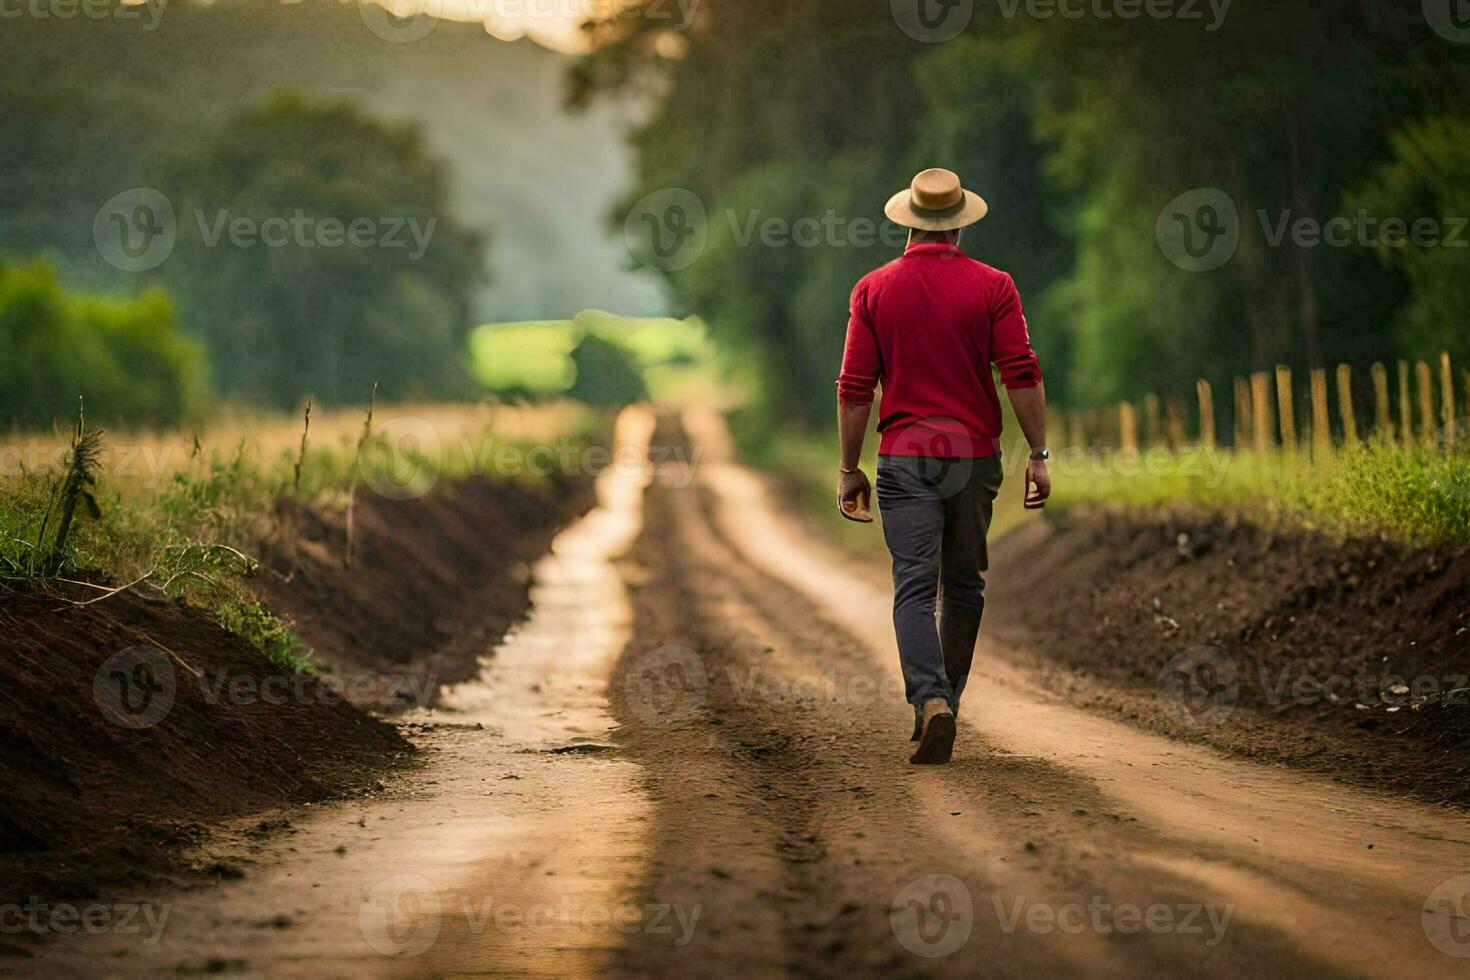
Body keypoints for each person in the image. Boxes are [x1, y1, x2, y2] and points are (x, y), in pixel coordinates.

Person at [835, 168, 1050, 765]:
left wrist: (850, 468)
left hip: (905, 458)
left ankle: (931, 704)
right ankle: (945, 700)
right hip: (973, 457)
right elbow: (1021, 372)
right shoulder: (995, 286)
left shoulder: (873, 289)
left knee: (912, 587)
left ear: (906, 221)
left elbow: (855, 387)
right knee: (963, 586)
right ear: (958, 222)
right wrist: (1038, 454)